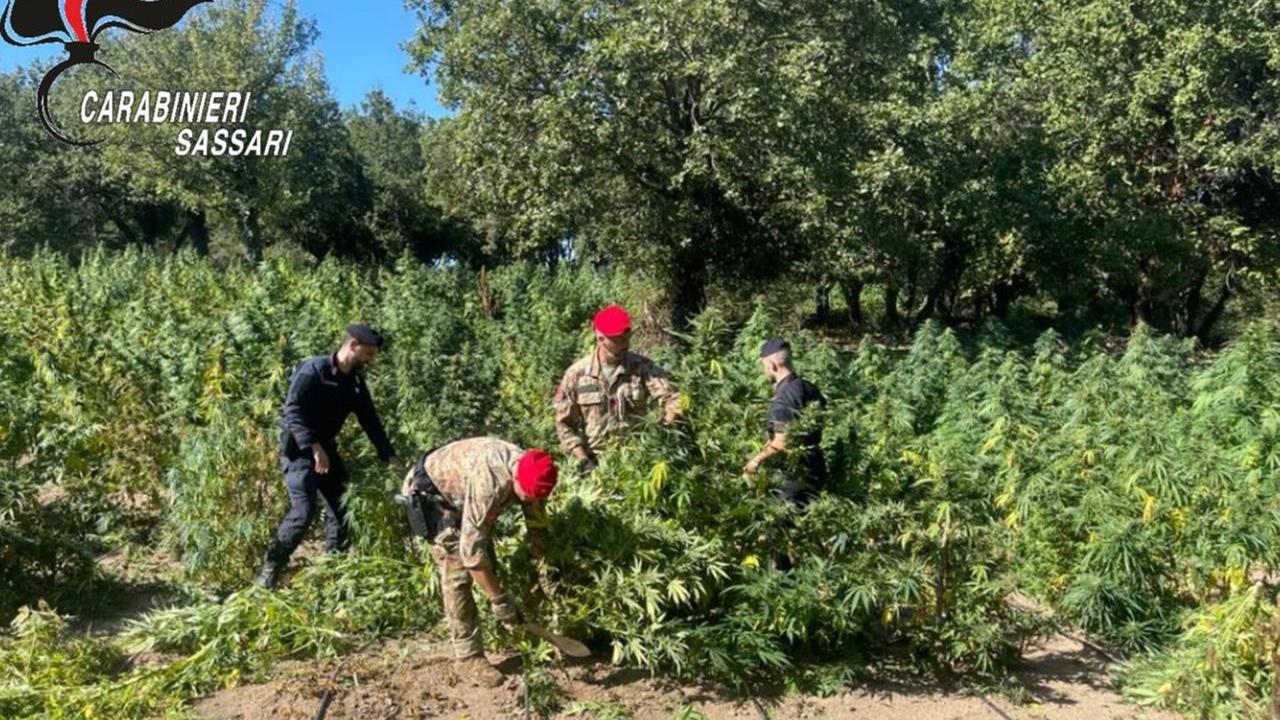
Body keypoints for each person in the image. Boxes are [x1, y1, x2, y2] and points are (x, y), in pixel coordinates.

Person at [399, 437, 558, 687]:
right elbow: (472, 555)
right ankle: (468, 656)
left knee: (486, 559)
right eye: (525, 497)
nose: (528, 503)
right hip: (430, 495)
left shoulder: (535, 470)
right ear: (515, 481)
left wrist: (548, 574)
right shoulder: (491, 483)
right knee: (458, 570)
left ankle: (507, 633)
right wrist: (500, 600)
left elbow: (538, 529)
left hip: (461, 492)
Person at [255, 323, 404, 589]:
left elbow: (371, 422)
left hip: (326, 450)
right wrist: (313, 446)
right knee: (304, 510)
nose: (371, 360)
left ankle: (332, 570)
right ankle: (270, 571)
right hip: (299, 452)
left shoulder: (355, 382)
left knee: (343, 509)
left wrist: (390, 457)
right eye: (369, 354)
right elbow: (292, 411)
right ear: (353, 346)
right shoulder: (313, 370)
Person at [554, 305, 681, 473]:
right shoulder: (577, 375)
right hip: (598, 466)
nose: (625, 342)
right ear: (601, 339)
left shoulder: (641, 368)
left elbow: (674, 398)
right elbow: (563, 423)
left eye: (627, 336)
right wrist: (582, 459)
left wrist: (662, 431)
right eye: (618, 338)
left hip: (639, 461)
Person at [744, 337, 827, 507]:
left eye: (764, 365)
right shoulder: (809, 387)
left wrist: (756, 460)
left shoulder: (784, 397)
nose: (764, 370)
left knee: (784, 527)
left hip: (794, 476)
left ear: (773, 364)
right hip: (816, 467)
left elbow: (783, 442)